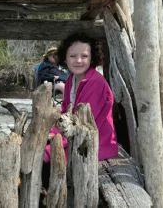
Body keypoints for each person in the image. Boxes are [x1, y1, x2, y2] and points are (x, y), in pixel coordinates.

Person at [44, 32, 118, 164]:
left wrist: (55, 138)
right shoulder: (70, 80)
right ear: (65, 59)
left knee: (43, 156)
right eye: (73, 56)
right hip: (75, 136)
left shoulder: (96, 83)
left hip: (94, 143)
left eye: (84, 56)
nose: (78, 61)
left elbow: (83, 124)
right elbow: (66, 114)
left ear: (92, 59)